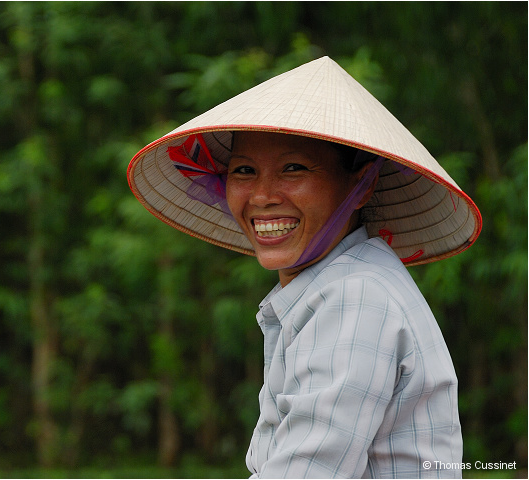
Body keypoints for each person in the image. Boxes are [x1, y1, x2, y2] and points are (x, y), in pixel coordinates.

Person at [127, 56, 482, 478]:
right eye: (244, 171)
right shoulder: (331, 290)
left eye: (293, 168)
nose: (261, 196)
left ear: (360, 183)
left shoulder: (356, 296)